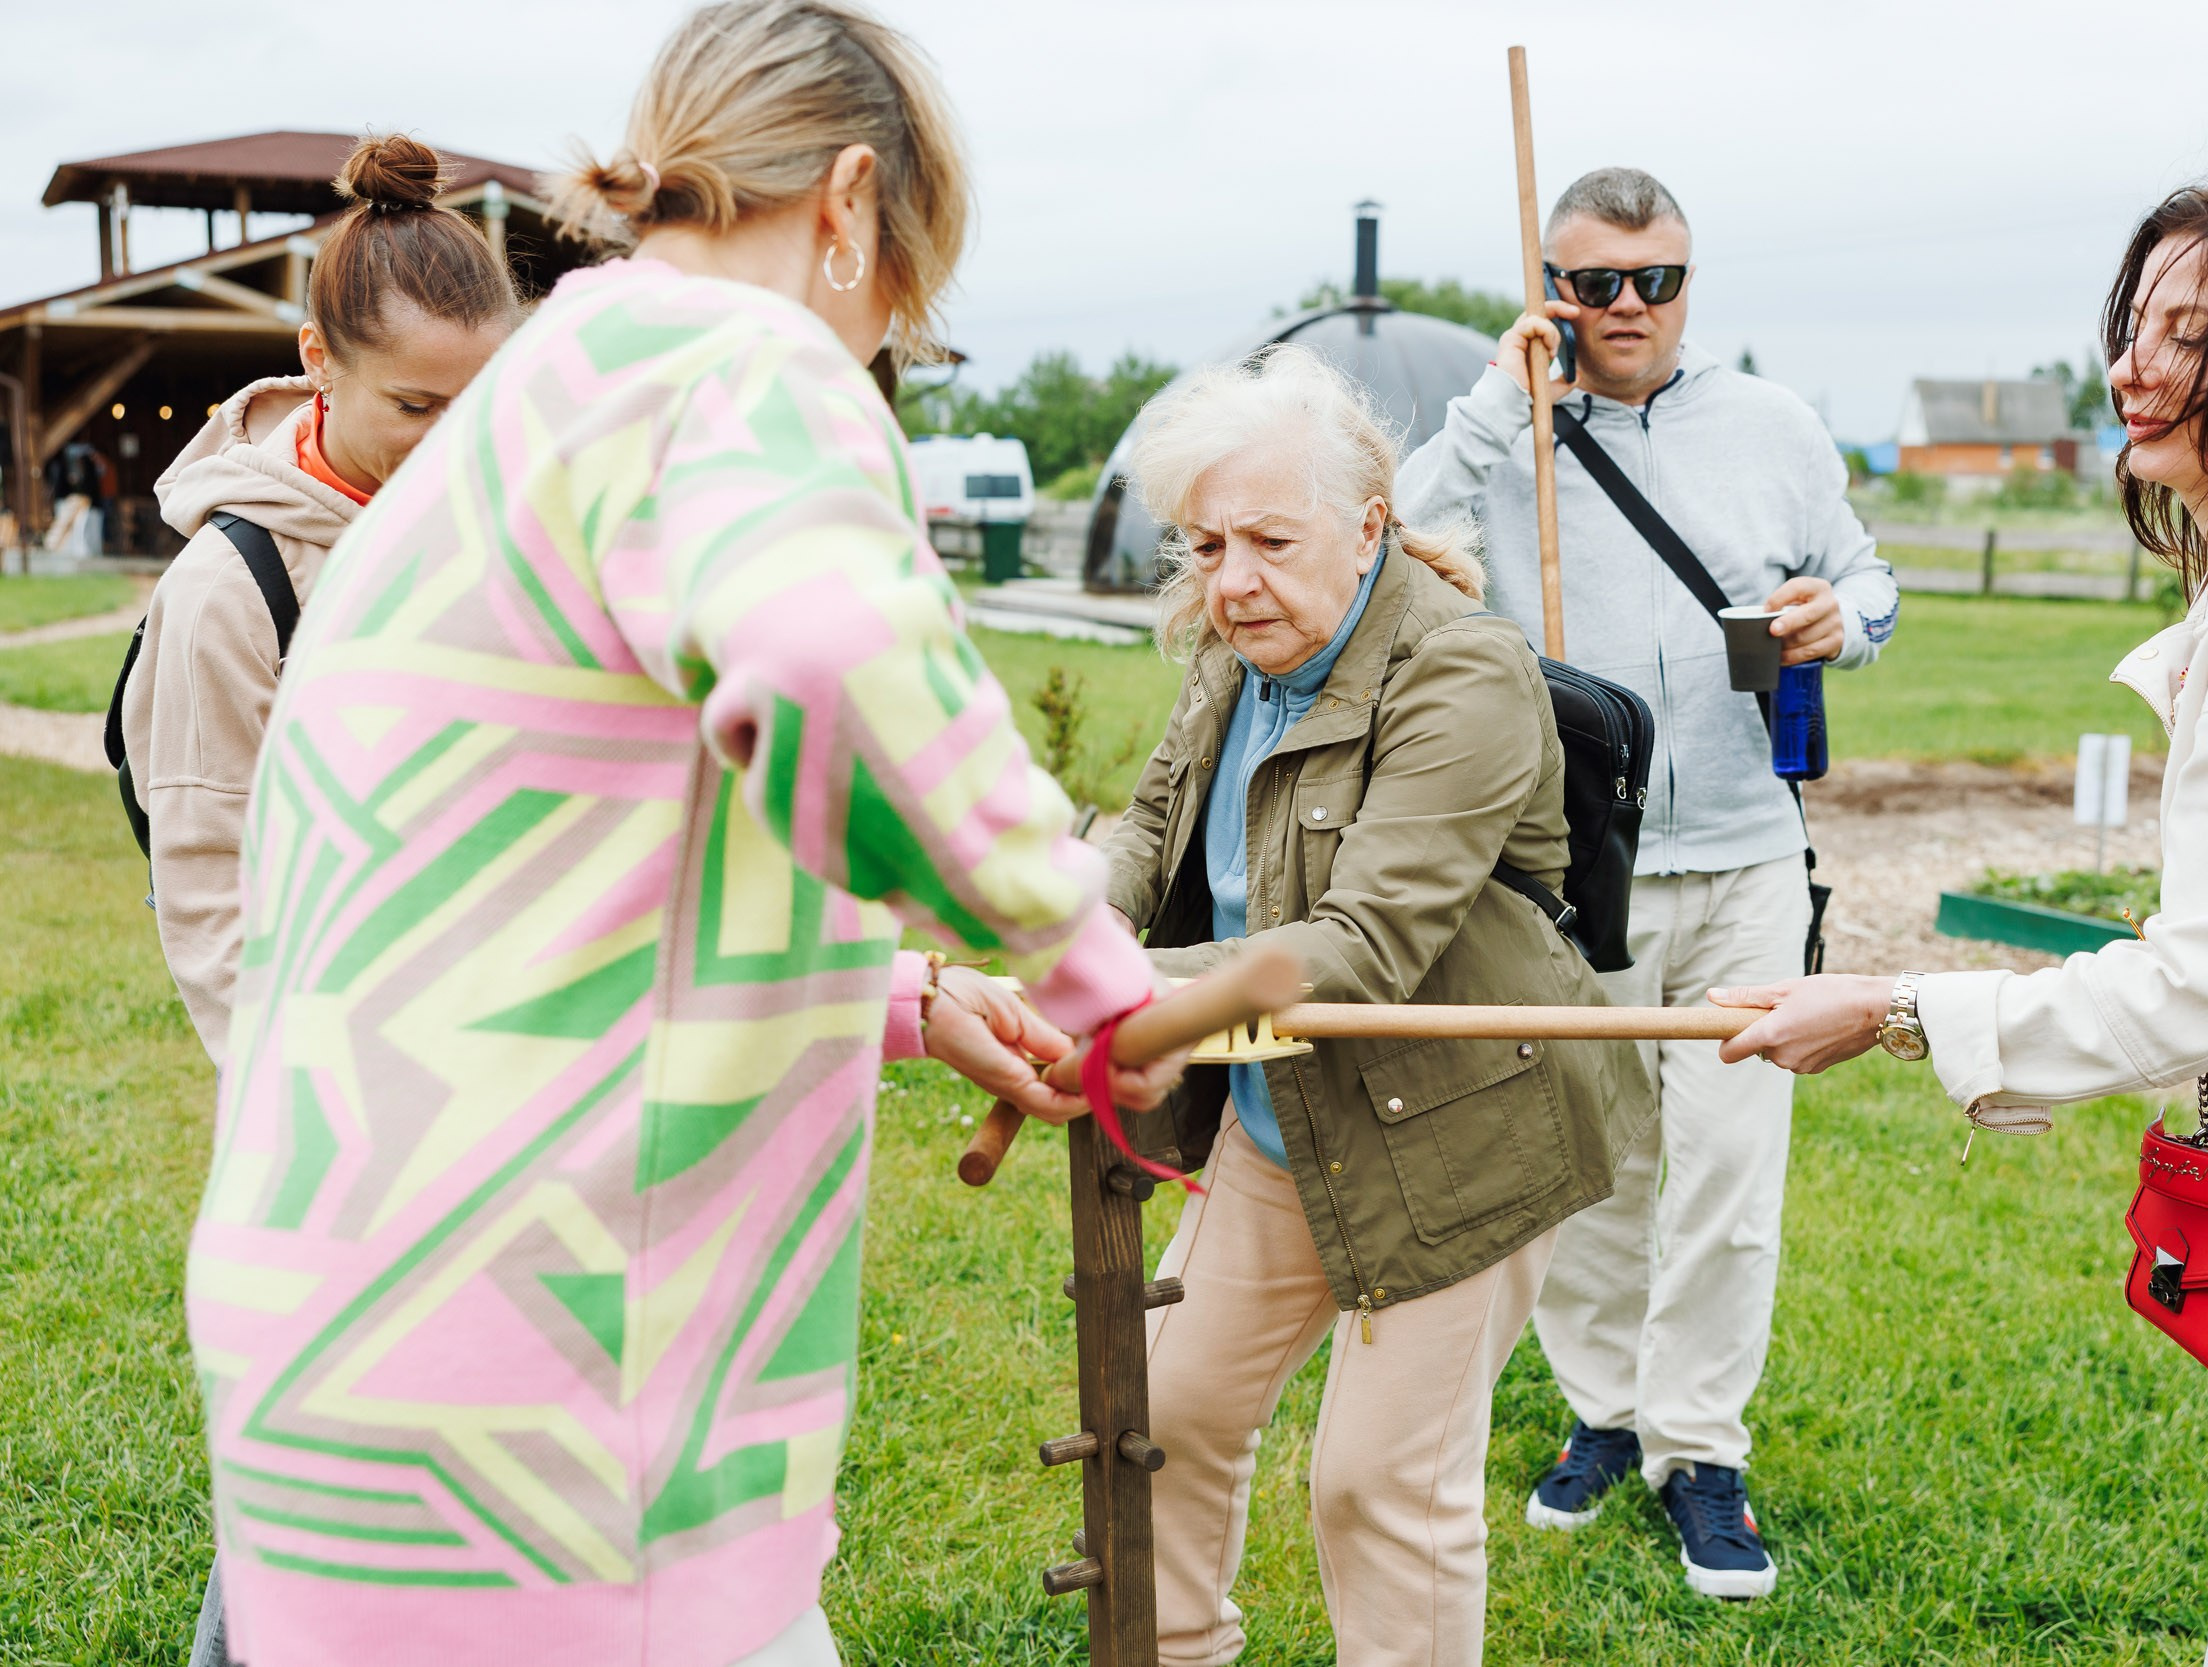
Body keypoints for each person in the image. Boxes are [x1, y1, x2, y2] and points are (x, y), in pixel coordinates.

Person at [187, 8, 1186, 1665]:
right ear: (852, 205)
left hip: (344, 1378)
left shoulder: (513, 424)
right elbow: (827, 664)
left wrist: (890, 999)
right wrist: (1090, 963)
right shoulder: (736, 361)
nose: (873, 354)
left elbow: (533, 881)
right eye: (900, 308)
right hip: (564, 1428)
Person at [1717, 178, 2208, 1666]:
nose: (2136, 364)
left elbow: (2207, 986)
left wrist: (1892, 1009)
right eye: (2133, 324)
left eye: (2193, 332)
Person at [1098, 344, 1647, 1667]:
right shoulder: (1234, 659)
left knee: (1377, 1485)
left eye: (1270, 541)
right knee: (1161, 1413)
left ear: (1368, 524)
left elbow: (1362, 946)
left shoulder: (1462, 673)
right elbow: (1151, 828)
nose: (1232, 581)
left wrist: (1112, 993)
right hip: (1289, 1115)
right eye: (1206, 544)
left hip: (1465, 1128)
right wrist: (1066, 928)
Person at [1397, 165, 1900, 1595]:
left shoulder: (1775, 427)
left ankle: (1701, 1449)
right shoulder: (1506, 437)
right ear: (1551, 284)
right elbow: (1394, 537)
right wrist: (1502, 401)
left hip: (1746, 848)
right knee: (1596, 1165)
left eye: (1655, 279)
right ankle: (1604, 1411)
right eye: (1593, 282)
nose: (1626, 308)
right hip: (1579, 859)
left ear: (1690, 280)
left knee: (1729, 1170)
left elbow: (1874, 581)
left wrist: (1836, 621)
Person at [114, 132, 523, 1667]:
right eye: (416, 406)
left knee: (458, 1468)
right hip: (330, 1113)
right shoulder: (236, 589)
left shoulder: (487, 535)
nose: (448, 443)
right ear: (314, 362)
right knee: (314, 1471)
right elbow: (207, 900)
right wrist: (333, 1113)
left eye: (478, 408)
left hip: (496, 1079)